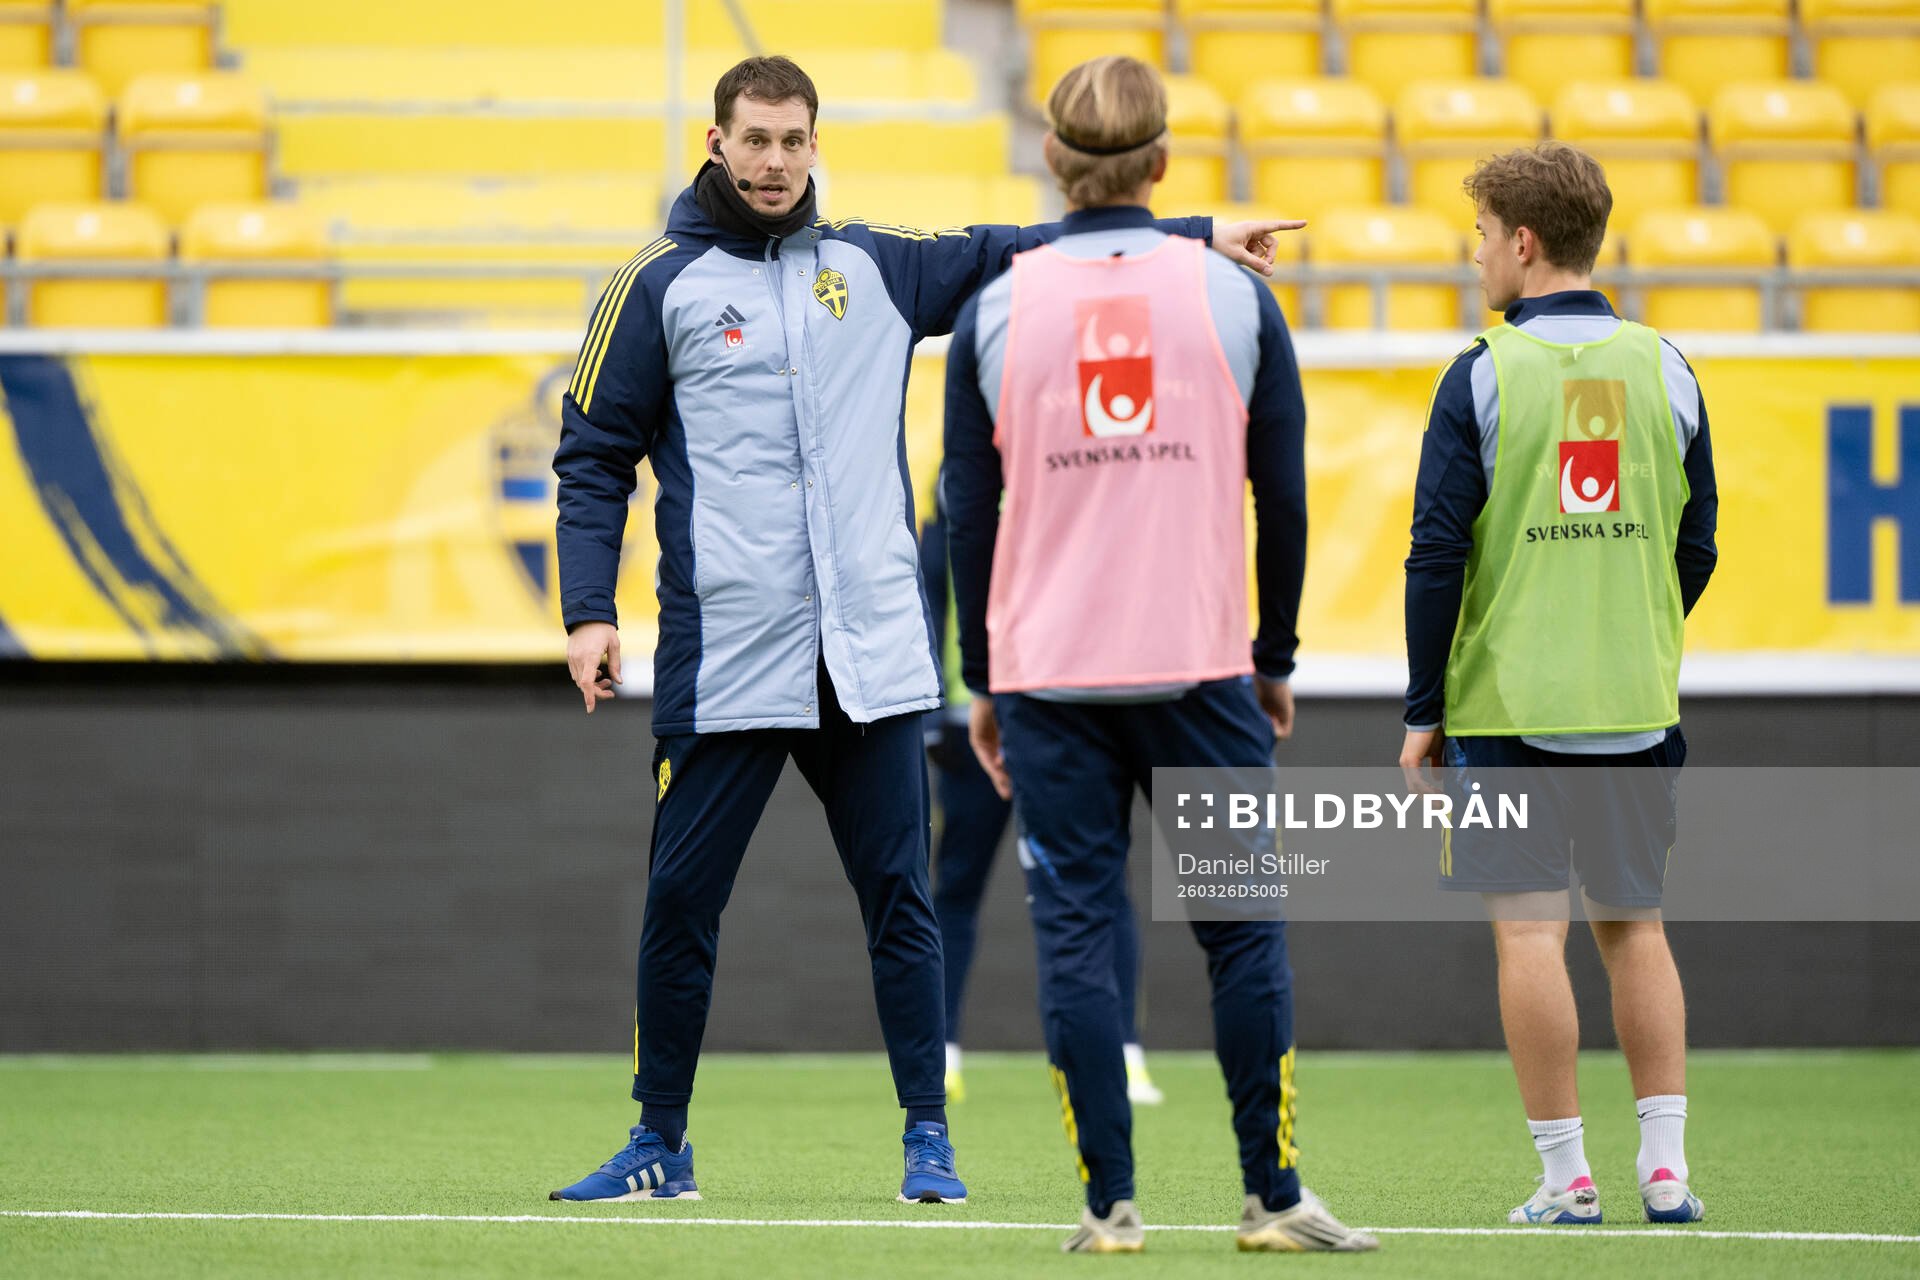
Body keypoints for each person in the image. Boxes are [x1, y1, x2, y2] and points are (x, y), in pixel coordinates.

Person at [549, 54, 1298, 1207]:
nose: (775, 162)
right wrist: (588, 609)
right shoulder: (655, 285)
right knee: (680, 906)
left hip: (874, 658)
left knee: (900, 897)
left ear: (815, 143)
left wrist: (1196, 234)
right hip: (727, 658)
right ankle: (659, 1138)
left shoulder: (876, 266)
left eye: (795, 140)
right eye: (754, 140)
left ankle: (925, 1139)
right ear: (715, 143)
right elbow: (593, 456)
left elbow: (1024, 249)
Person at [944, 55, 1376, 1254]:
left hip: (1048, 679)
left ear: (1053, 164)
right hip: (1200, 667)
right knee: (1241, 929)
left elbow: (967, 518)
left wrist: (986, 676)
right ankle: (1273, 1196)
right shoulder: (1235, 297)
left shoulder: (995, 309)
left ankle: (1109, 1206)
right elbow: (1279, 497)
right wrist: (1273, 653)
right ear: (1165, 165)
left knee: (1077, 931)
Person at [1398, 141, 1718, 1226]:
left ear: (1522, 243)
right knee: (1638, 924)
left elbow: (1435, 554)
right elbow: (1699, 544)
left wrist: (1422, 709)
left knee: (1531, 933)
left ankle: (1566, 1178)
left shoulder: (1482, 370)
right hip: (1635, 704)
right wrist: (1630, 630)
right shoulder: (1666, 363)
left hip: (1509, 709)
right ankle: (1666, 1171)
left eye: (1481, 234)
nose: (1476, 252)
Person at [918, 496, 1163, 1108]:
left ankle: (1125, 1053)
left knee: (1103, 882)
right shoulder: (955, 489)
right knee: (957, 885)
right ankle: (938, 1053)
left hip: (1067, 715)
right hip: (972, 716)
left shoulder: (1076, 474)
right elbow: (926, 595)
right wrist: (932, 712)